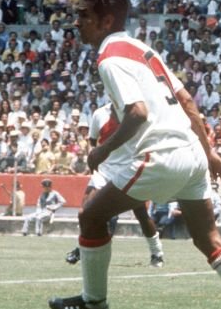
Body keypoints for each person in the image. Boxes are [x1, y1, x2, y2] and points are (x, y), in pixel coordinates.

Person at [48, 0, 221, 309]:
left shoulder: (109, 58)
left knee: (91, 217)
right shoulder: (143, 50)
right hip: (192, 154)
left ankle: (94, 304)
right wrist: (209, 151)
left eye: (83, 15)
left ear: (106, 20)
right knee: (208, 237)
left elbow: (137, 113)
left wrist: (102, 150)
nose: (76, 22)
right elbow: (188, 103)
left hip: (162, 155)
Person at [65, 102, 165, 268]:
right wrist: (96, 159)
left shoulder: (137, 111)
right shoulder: (99, 114)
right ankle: (82, 248)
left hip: (129, 168)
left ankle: (157, 253)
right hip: (105, 169)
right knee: (87, 210)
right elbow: (93, 140)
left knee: (141, 213)